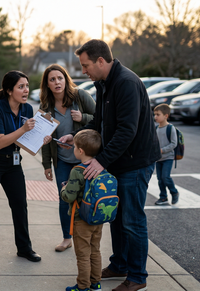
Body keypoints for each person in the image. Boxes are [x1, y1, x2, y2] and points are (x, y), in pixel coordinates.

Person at [59, 39, 160, 291]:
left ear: (101, 61)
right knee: (115, 216)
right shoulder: (103, 83)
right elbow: (100, 122)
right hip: (119, 161)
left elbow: (127, 130)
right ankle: (119, 264)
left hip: (135, 162)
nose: (83, 71)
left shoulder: (125, 82)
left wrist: (101, 161)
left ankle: (137, 277)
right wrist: (78, 134)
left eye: (86, 65)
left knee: (132, 220)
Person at [0, 70, 51, 264]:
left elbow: (26, 142)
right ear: (9, 90)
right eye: (20, 87)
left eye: (27, 86)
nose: (25, 90)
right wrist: (23, 129)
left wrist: (42, 139)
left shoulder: (27, 109)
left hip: (13, 162)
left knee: (20, 205)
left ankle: (24, 248)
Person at [39, 64, 95, 253]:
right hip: (62, 160)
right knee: (65, 198)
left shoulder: (80, 96)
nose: (57, 82)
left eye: (60, 78)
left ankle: (87, 236)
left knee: (87, 197)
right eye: (52, 79)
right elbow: (45, 140)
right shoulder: (46, 107)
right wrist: (46, 164)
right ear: (47, 84)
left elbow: (100, 119)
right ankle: (66, 237)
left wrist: (83, 117)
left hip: (84, 159)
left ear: (66, 79)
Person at [61, 129, 103, 291]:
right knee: (95, 251)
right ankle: (95, 283)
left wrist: (63, 189)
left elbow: (69, 197)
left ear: (81, 151)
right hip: (97, 218)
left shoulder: (78, 170)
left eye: (74, 147)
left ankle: (83, 286)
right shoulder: (100, 168)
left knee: (83, 254)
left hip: (81, 219)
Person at [153, 104, 179, 206]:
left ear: (166, 116)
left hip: (168, 157)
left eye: (158, 114)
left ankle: (174, 192)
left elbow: (174, 143)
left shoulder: (170, 128)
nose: (155, 117)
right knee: (160, 179)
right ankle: (163, 197)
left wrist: (162, 150)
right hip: (158, 159)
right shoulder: (155, 128)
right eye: (155, 114)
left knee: (165, 177)